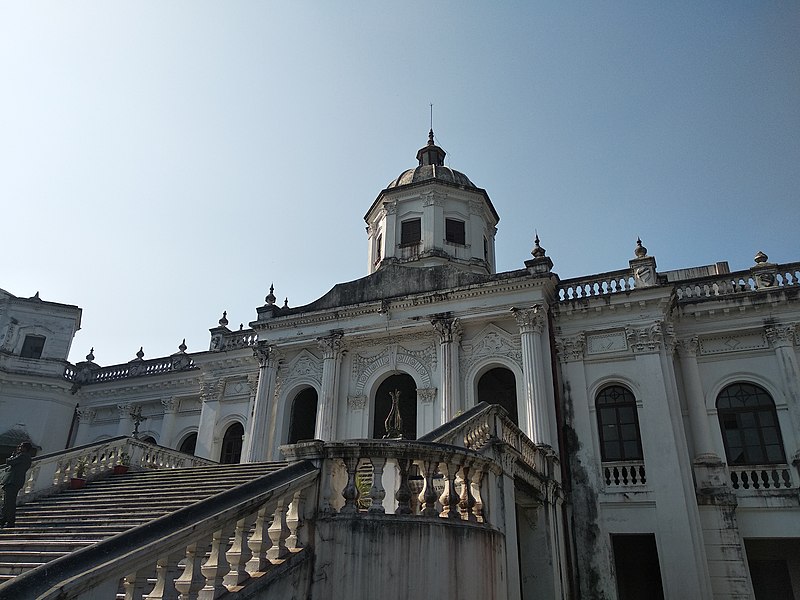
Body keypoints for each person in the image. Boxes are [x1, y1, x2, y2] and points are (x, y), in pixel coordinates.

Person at [1, 441, 33, 528]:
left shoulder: (23, 456)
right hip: (13, 481)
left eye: (21, 446)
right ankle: (4, 519)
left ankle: (10, 521)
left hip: (13, 481)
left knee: (9, 503)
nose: (19, 447)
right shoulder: (25, 457)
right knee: (6, 502)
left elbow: (9, 462)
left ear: (25, 448)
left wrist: (12, 456)